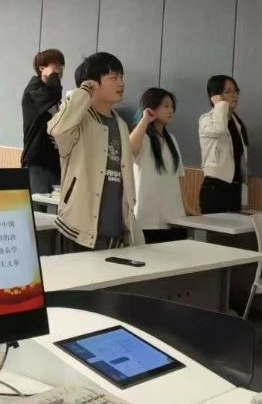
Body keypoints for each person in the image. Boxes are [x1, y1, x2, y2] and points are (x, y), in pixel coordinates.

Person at [47, 52, 139, 252]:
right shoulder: (79, 121)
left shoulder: (121, 124)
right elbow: (57, 129)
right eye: (113, 77)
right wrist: (83, 91)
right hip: (78, 230)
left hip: (115, 233)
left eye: (121, 77)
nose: (121, 83)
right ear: (92, 83)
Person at [130, 87, 186, 241]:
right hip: (147, 218)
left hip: (174, 216)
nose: (171, 110)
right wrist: (145, 120)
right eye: (166, 106)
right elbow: (130, 150)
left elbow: (179, 177)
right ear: (151, 107)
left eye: (172, 106)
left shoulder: (171, 139)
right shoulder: (142, 137)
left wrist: (187, 208)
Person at [198, 74, 249, 214]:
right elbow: (219, 129)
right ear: (216, 96)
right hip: (215, 188)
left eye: (236, 91)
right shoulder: (206, 120)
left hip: (234, 189)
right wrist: (219, 105)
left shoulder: (236, 123)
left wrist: (244, 196)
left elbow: (241, 163)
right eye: (228, 91)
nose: (234, 95)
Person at [21, 48, 65, 195]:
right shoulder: (34, 88)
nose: (60, 69)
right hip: (38, 163)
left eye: (61, 66)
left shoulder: (51, 93)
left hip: (55, 163)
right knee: (39, 206)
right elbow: (53, 94)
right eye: (56, 65)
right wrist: (53, 75)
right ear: (41, 68)